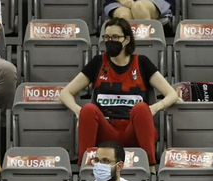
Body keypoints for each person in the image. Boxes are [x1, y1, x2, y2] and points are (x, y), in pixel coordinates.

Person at [61, 16, 180, 167]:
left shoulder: (142, 62)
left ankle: (150, 168)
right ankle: (85, 167)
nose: (110, 41)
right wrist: (79, 110)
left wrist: (154, 107)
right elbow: (65, 93)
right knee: (89, 109)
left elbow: (172, 94)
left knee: (141, 108)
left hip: (133, 129)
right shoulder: (98, 62)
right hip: (107, 130)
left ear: (127, 40)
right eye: (107, 37)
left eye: (115, 37)